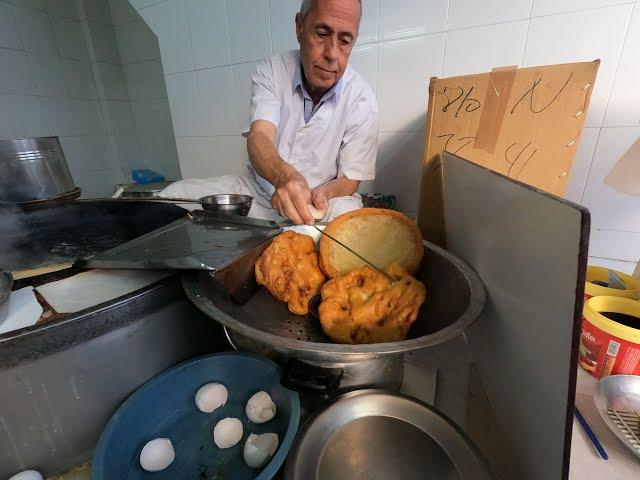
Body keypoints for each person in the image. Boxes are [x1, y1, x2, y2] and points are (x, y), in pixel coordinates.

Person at [162, 0, 378, 225]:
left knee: (352, 221)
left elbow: (351, 178)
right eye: (322, 33)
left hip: (324, 203)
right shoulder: (273, 70)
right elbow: (260, 136)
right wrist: (283, 177)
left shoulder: (362, 99)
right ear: (299, 27)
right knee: (175, 195)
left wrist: (322, 195)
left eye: (344, 41)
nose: (332, 54)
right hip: (261, 196)